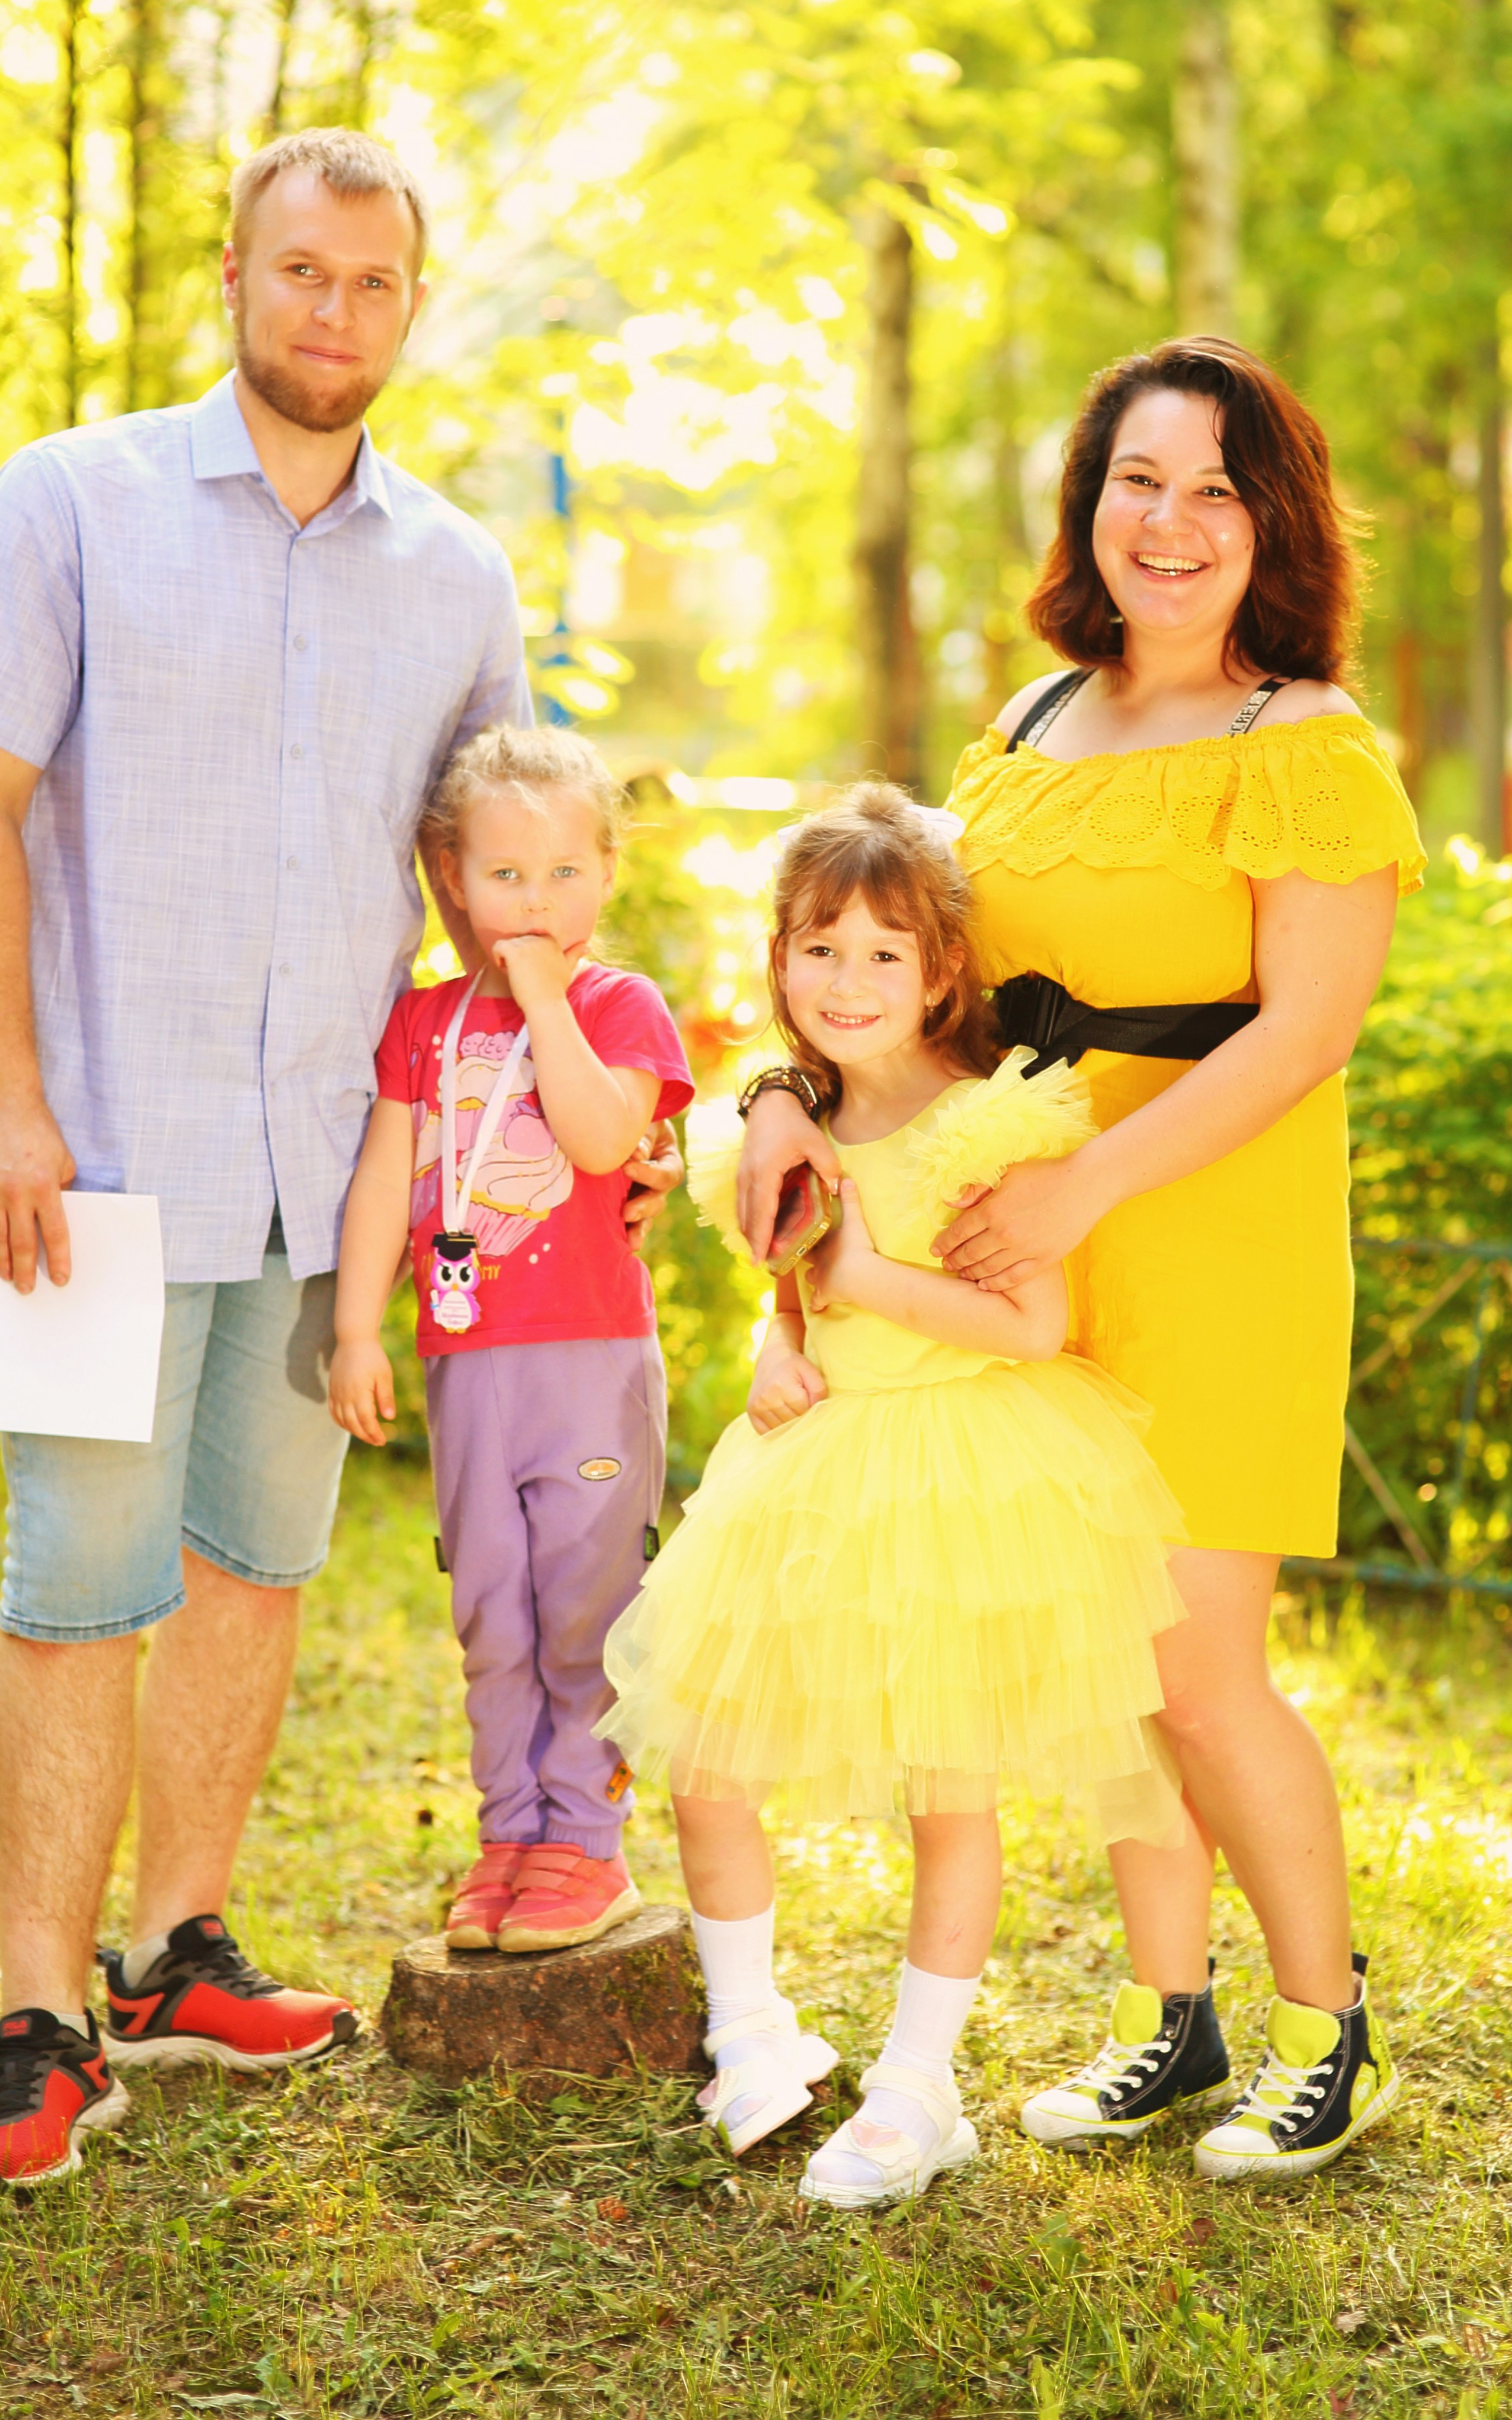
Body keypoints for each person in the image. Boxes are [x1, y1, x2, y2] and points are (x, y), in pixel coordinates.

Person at [0, 127, 678, 2192]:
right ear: (235, 279)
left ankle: (179, 1952)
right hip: (91, 1162)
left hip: (335, 1168)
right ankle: (38, 2018)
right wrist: (1, 1094)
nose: (335, 311)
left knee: (258, 1567)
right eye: (302, 272)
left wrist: (590, 1114)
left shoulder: (459, 575)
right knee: (81, 1585)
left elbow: (511, 880)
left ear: (412, 304)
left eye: (373, 281)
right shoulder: (75, 499)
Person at [736, 340, 1425, 2183]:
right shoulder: (1030, 727)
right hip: (1022, 1242)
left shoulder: (1304, 744)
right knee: (1112, 1667)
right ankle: (1168, 2020)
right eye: (1140, 479)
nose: (1171, 523)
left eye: (1216, 490)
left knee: (1201, 1671)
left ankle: (1328, 2032)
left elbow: (1306, 1034)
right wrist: (776, 1095)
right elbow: (903, 977)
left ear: (1272, 525)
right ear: (1088, 500)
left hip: (1209, 1236)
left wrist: (1086, 1189)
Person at [598, 786, 1188, 2209]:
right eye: (819, 949)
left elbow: (1031, 1325)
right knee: (707, 1754)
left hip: (958, 1466)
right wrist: (777, 1342)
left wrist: (859, 1277)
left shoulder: (987, 1124)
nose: (847, 981)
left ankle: (919, 2085)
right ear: (779, 962)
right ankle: (750, 2030)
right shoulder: (785, 1124)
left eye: (883, 953)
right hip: (812, 1465)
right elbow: (791, 1285)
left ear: (940, 974)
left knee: (947, 1784)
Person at [328, 724, 693, 1952]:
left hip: (588, 1360)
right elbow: (385, 1181)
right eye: (505, 875)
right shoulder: (423, 1021)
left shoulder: (618, 1007)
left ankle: (587, 1842)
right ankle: (509, 1836)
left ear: (609, 870)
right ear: (453, 875)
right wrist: (357, 1330)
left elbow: (599, 1139)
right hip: (465, 1362)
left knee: (587, 1602)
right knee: (492, 1609)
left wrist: (543, 1001)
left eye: (564, 873)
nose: (536, 901)